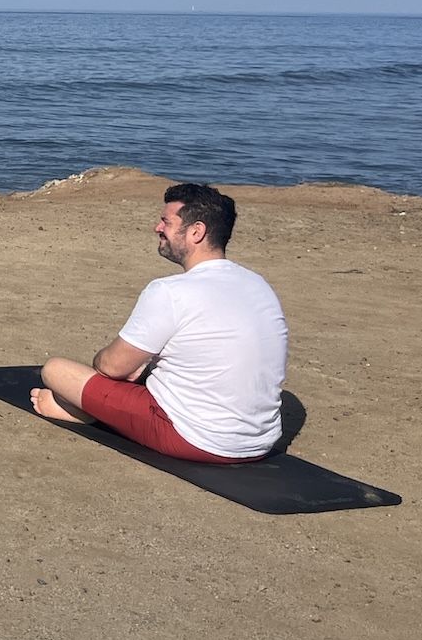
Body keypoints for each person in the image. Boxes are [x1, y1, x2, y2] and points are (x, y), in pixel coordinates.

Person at [32, 182, 288, 463]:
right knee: (143, 368)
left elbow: (110, 367)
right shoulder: (257, 284)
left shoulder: (170, 291)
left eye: (166, 221)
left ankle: (87, 413)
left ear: (196, 232)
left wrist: (111, 364)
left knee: (56, 371)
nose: (157, 227)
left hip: (197, 438)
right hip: (261, 440)